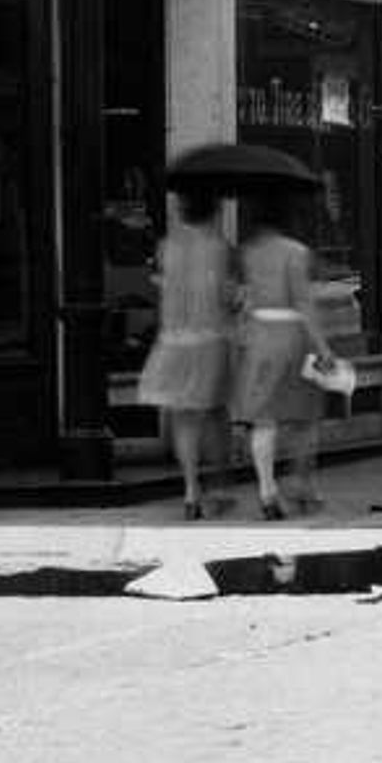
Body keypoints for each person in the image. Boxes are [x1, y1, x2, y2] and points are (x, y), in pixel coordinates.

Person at [226, 190, 329, 525]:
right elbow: (303, 303)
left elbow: (242, 299)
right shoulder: (296, 252)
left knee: (264, 420)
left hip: (258, 339)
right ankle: (302, 485)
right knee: (303, 417)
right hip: (291, 338)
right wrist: (323, 347)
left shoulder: (249, 253)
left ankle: (267, 490)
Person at [137, 182, 236, 520]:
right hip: (209, 340)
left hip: (174, 342)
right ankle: (221, 486)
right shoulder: (218, 248)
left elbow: (163, 291)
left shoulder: (168, 247)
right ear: (214, 209)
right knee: (217, 413)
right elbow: (226, 297)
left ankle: (191, 489)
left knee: (184, 419)